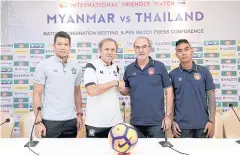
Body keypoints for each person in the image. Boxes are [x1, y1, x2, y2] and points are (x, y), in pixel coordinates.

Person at [120, 37, 174, 138]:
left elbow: (169, 91)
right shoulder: (129, 69)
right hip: (136, 122)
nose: (141, 50)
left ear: (149, 48)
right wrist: (118, 86)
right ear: (134, 49)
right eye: (138, 47)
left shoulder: (160, 66)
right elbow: (126, 91)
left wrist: (168, 115)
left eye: (144, 47)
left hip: (157, 123)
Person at [33, 31, 83, 138]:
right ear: (54, 46)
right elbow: (37, 94)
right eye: (59, 44)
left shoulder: (77, 67)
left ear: (70, 46)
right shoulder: (43, 66)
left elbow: (77, 93)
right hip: (50, 121)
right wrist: (38, 122)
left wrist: (79, 114)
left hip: (70, 121)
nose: (62, 47)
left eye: (66, 44)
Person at [169, 39, 216, 138]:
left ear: (192, 51)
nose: (184, 53)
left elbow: (211, 98)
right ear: (176, 54)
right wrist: (172, 121)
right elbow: (170, 101)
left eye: (186, 49)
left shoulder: (204, 71)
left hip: (203, 125)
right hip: (181, 126)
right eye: (180, 50)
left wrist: (211, 121)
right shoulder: (172, 75)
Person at [83, 38, 124, 138]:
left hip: (115, 122)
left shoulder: (116, 67)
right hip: (96, 124)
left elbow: (117, 90)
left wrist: (121, 87)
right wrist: (114, 83)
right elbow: (91, 91)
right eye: (107, 49)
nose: (110, 52)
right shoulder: (91, 66)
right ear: (100, 50)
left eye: (113, 50)